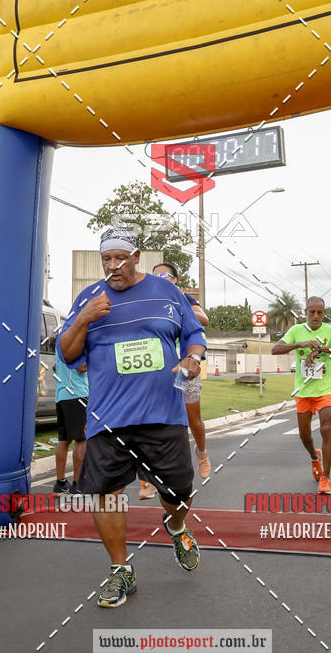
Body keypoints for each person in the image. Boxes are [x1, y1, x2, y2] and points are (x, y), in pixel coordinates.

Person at [57, 227, 207, 607]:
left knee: (179, 492)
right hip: (109, 417)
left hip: (163, 413)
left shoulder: (167, 292)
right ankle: (120, 571)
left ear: (136, 257)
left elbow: (194, 332)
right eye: (105, 259)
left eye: (119, 258)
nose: (112, 266)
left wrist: (194, 357)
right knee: (107, 495)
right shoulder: (89, 297)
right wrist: (83, 319)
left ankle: (175, 525)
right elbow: (69, 354)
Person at [139, 263, 210, 500]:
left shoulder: (184, 298)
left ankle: (201, 453)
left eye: (165, 275)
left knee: (191, 418)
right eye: (156, 275)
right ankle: (147, 478)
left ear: (176, 279)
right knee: (149, 422)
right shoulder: (147, 299)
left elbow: (203, 319)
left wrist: (178, 301)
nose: (160, 278)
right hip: (155, 370)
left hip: (183, 368)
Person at [272, 296, 331, 495]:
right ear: (305, 312)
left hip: (325, 389)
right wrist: (300, 344)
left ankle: (325, 478)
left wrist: (320, 349)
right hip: (303, 391)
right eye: (312, 312)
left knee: (326, 427)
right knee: (304, 434)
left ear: (324, 313)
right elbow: (276, 349)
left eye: (320, 312)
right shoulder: (296, 331)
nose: (315, 316)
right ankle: (314, 457)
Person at [53, 351, 89, 494]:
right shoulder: (76, 339)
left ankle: (60, 482)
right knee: (82, 439)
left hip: (61, 395)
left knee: (64, 439)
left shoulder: (60, 340)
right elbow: (81, 366)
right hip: (77, 393)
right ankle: (77, 485)